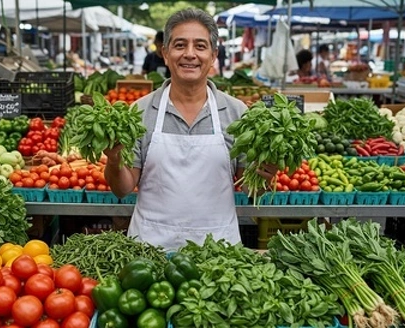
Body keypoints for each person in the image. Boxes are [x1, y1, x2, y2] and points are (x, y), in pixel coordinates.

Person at [103, 8, 277, 251]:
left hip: (219, 253)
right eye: (180, 45)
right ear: (165, 53)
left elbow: (250, 188)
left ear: (214, 55)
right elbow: (122, 189)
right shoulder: (139, 113)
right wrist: (113, 160)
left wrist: (266, 175)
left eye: (200, 46)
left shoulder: (237, 113)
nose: (190, 54)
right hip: (151, 251)